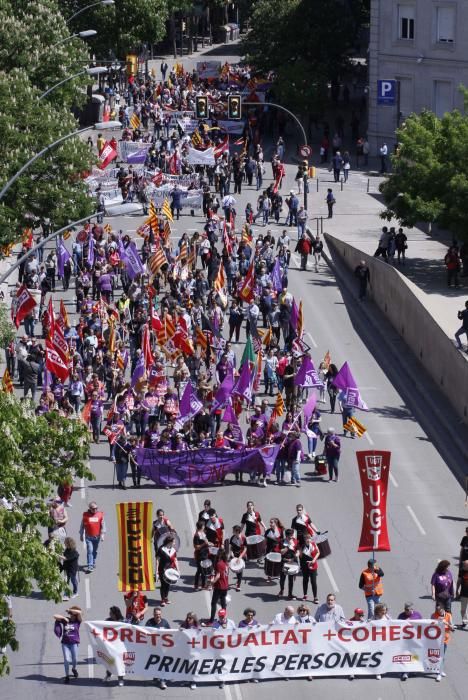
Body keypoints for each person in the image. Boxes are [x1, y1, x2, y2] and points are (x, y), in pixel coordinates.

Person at [53, 605, 82, 683]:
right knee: (66, 659)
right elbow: (54, 616)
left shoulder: (78, 621)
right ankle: (67, 676)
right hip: (65, 643)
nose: (71, 616)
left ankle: (74, 668)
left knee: (75, 659)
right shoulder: (66, 620)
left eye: (73, 614)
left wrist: (70, 609)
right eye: (70, 614)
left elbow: (80, 612)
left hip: (74, 643)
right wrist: (63, 618)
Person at [145, 607, 170, 689]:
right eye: (156, 614)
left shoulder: (165, 623)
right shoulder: (149, 622)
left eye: (159, 614)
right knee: (155, 664)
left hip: (163, 649)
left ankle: (163, 681)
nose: (158, 616)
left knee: (163, 664)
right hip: (153, 648)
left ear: (161, 614)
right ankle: (156, 677)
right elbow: (145, 633)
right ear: (153, 615)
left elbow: (171, 633)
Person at [79, 502, 106, 573]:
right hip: (88, 537)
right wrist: (81, 535)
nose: (95, 509)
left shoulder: (100, 515)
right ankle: (90, 566)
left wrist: (103, 534)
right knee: (90, 550)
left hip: (97, 537)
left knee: (95, 551)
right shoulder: (85, 516)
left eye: (96, 508)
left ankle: (93, 561)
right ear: (90, 508)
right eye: (93, 508)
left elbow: (103, 525)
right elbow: (82, 526)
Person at [431, 602, 455, 682]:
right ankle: (439, 670)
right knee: (436, 656)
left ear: (443, 609)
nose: (438, 611)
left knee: (442, 656)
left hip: (444, 640)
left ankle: (439, 673)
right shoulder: (434, 615)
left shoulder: (448, 615)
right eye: (437, 610)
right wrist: (436, 622)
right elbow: (429, 627)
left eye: (440, 610)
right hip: (435, 640)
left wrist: (446, 623)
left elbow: (453, 629)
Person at [157, 535, 179, 606]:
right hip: (162, 569)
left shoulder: (173, 550)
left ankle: (166, 597)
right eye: (174, 542)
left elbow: (175, 559)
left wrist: (178, 569)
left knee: (168, 584)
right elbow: (157, 560)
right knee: (163, 585)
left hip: (170, 570)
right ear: (169, 542)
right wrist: (156, 571)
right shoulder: (161, 549)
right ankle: (162, 599)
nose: (175, 543)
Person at [209, 549, 229, 623]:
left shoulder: (219, 564)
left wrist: (212, 582)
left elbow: (218, 575)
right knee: (223, 603)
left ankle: (211, 620)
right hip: (225, 586)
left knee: (213, 603)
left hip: (219, 586)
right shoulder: (226, 563)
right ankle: (224, 619)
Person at [279, 528, 299, 599]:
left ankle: (290, 594)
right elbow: (281, 552)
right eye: (289, 536)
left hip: (292, 561)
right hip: (284, 561)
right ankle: (281, 590)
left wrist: (296, 554)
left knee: (291, 579)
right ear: (286, 536)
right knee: (282, 578)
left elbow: (298, 550)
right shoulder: (282, 541)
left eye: (292, 535)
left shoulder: (295, 541)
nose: (291, 537)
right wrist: (288, 546)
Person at [300, 532, 319, 603]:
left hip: (313, 565)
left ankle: (315, 597)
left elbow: (318, 552)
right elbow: (300, 556)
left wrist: (314, 560)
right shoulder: (302, 546)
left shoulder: (314, 544)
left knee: (313, 581)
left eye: (309, 538)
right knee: (305, 580)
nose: (308, 539)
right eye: (306, 538)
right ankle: (305, 595)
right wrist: (299, 553)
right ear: (304, 539)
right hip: (305, 566)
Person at [456, 560, 468, 628]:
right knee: (463, 609)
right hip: (463, 593)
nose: (463, 567)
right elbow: (459, 580)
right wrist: (457, 590)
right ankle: (464, 622)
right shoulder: (461, 571)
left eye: (464, 565)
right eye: (463, 565)